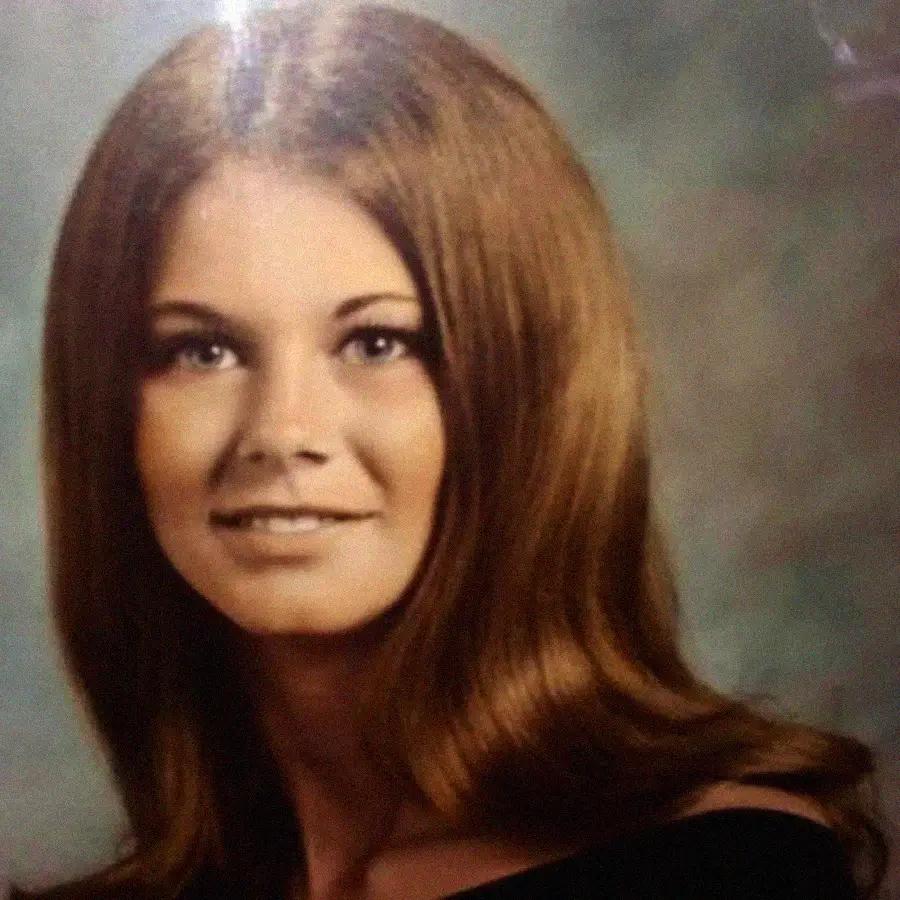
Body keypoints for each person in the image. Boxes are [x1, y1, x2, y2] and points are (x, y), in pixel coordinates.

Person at [14, 4, 888, 899]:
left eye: (377, 343)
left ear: (522, 390)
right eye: (204, 351)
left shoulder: (723, 870)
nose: (280, 433)